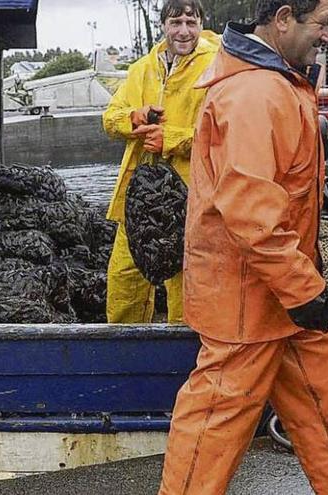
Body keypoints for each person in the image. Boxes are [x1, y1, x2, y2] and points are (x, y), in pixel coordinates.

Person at [159, 1, 328, 494]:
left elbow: (273, 177)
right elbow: (250, 209)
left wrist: (318, 193)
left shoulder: (277, 81)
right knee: (216, 415)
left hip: (283, 286)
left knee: (324, 390)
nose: (327, 37)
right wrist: (301, 287)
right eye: (322, 25)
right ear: (283, 17)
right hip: (248, 298)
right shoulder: (256, 91)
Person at [102, 0, 219, 324]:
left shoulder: (216, 67)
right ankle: (124, 353)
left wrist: (174, 139)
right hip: (139, 197)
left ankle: (186, 357)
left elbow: (227, 136)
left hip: (191, 198)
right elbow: (110, 119)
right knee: (124, 276)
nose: (183, 30)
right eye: (175, 22)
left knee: (186, 283)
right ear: (163, 25)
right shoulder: (140, 69)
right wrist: (134, 118)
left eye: (191, 22)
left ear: (200, 24)